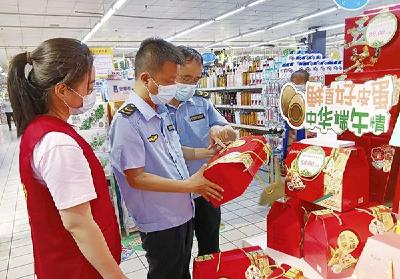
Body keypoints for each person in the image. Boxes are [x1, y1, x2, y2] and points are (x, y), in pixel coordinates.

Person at [7, 38, 125, 279]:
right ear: (62, 90)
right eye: (89, 87)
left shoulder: (38, 130)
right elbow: (78, 223)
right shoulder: (57, 143)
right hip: (78, 268)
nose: (91, 93)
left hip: (60, 262)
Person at [109, 38, 224, 279]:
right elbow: (136, 177)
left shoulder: (160, 113)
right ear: (146, 79)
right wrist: (188, 185)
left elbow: (174, 154)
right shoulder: (128, 121)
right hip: (160, 220)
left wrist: (206, 153)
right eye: (171, 81)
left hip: (182, 212)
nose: (174, 87)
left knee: (182, 273)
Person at [167, 46, 236, 256]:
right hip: (174, 194)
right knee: (178, 257)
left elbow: (232, 133)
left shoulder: (201, 103)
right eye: (185, 78)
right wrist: (201, 153)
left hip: (206, 190)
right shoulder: (156, 108)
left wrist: (221, 129)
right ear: (171, 73)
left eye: (195, 79)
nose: (190, 85)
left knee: (210, 249)